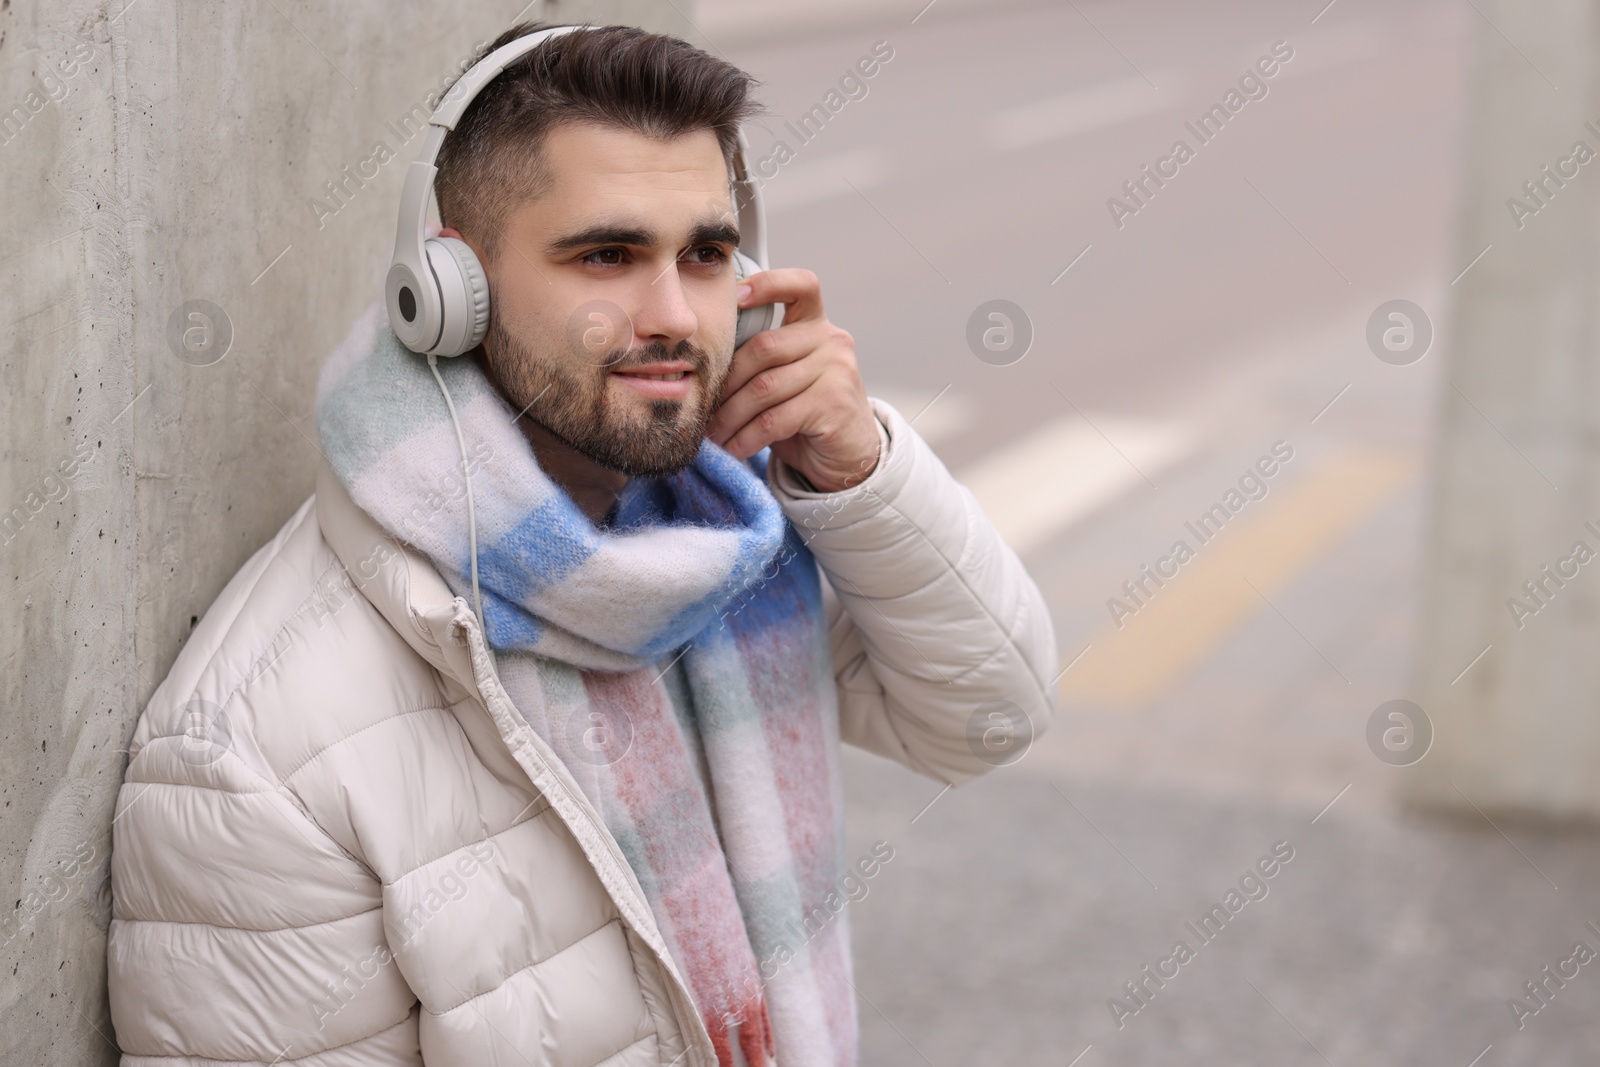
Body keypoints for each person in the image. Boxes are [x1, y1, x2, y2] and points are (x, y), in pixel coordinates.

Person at [106, 21, 1056, 1067]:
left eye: (704, 255)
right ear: (448, 294)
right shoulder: (253, 750)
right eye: (605, 254)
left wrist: (856, 471)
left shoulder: (724, 538)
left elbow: (983, 715)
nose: (670, 316)